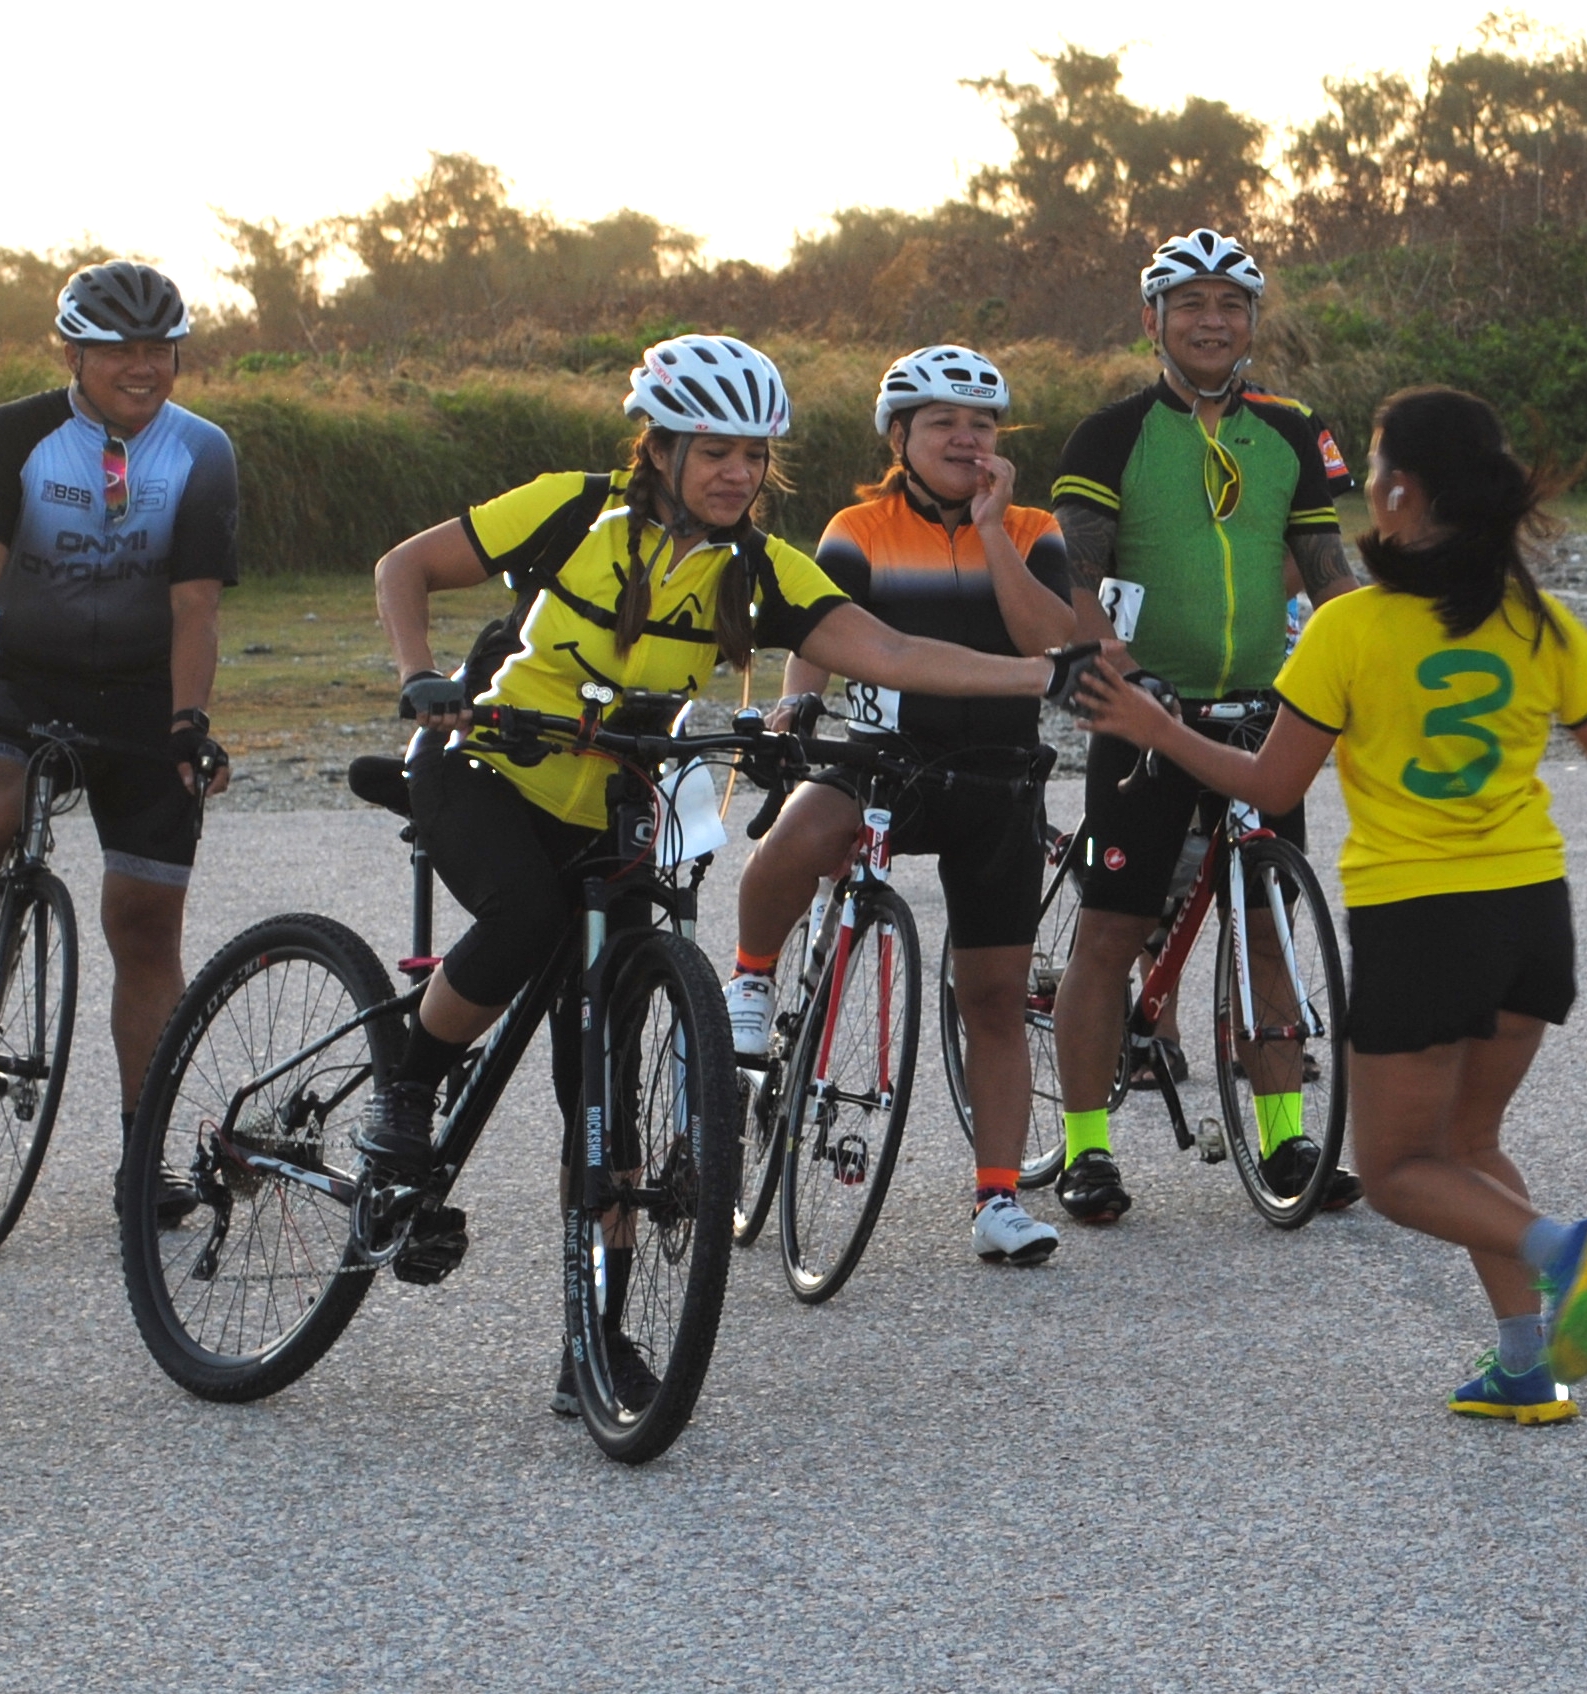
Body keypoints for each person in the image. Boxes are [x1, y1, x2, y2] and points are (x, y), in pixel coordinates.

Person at [371, 334, 1095, 1409]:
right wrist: (421, 673)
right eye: (715, 450)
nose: (737, 474)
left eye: (755, 456)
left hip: (611, 808)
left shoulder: (756, 564)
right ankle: (409, 1077)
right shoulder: (570, 508)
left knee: (605, 1077)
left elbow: (886, 652)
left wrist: (1044, 671)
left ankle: (595, 1335)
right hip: (491, 772)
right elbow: (405, 567)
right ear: (658, 447)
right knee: (524, 915)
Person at [1070, 385, 1587, 1420]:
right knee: (1468, 1144)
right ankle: (1526, 1366)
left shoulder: (1349, 629)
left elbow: (1267, 786)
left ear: (1397, 491)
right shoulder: (1532, 620)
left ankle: (1560, 1248)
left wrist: (1157, 730)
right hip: (1531, 917)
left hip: (1421, 920)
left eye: (1372, 470)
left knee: (1391, 1171)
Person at [0, 261, 237, 1219]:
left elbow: (195, 607)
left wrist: (188, 723)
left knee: (148, 924)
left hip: (141, 693)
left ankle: (143, 1155)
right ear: (72, 350)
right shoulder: (17, 433)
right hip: (23, 674)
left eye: (161, 347)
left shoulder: (203, 452)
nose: (144, 365)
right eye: (120, 347)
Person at [727, 345, 1076, 1268]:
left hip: (998, 773)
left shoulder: (1035, 526)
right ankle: (752, 978)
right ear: (899, 436)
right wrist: (796, 701)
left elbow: (1055, 642)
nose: (966, 439)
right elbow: (819, 625)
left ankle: (998, 1201)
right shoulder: (861, 525)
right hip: (886, 760)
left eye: (983, 425)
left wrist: (994, 530)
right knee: (801, 830)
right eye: (942, 425)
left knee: (995, 996)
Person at [1047, 227, 1364, 1224]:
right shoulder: (1110, 435)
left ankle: (1281, 1138)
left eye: (1230, 304)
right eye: (1189, 304)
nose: (1212, 319)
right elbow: (1076, 578)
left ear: (1252, 323)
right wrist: (1127, 678)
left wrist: (1361, 661)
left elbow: (1327, 572)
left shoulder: (1288, 431)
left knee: (1265, 927)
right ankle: (1084, 1147)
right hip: (1146, 719)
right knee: (1107, 932)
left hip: (1259, 721)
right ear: (1152, 321)